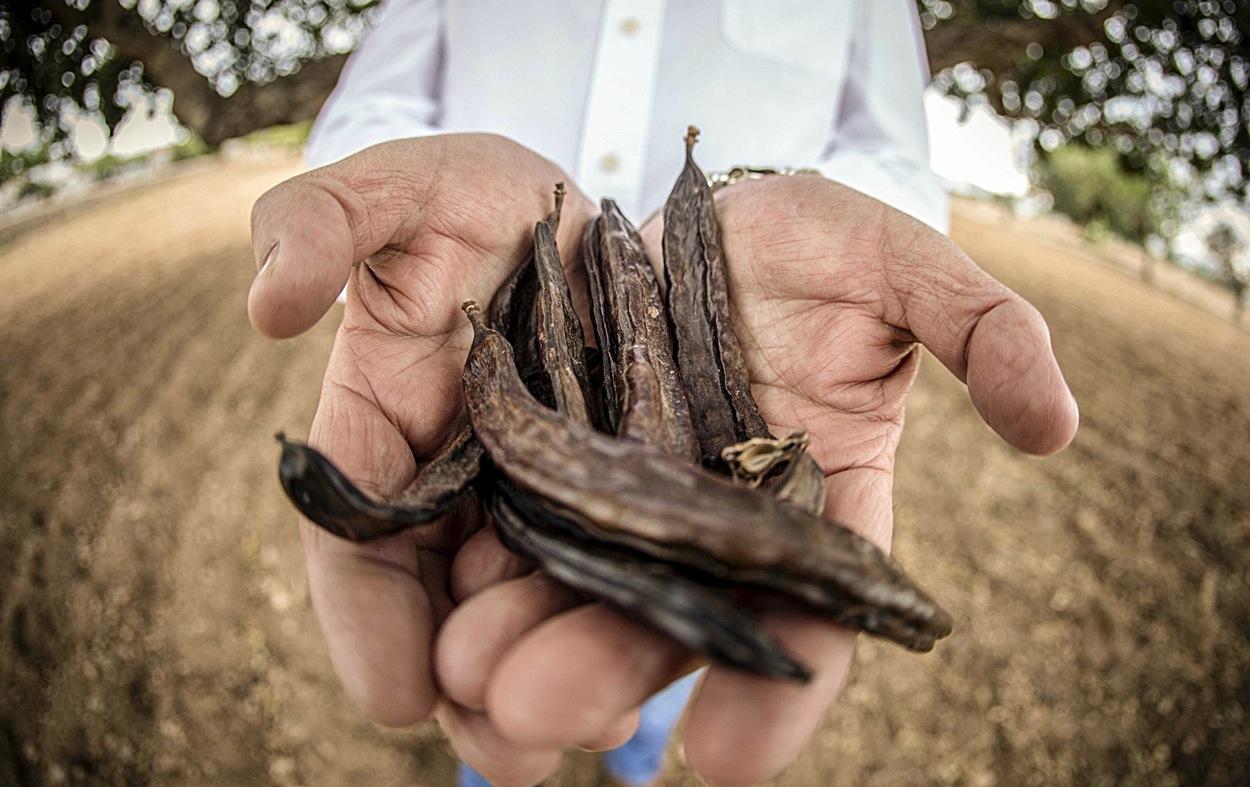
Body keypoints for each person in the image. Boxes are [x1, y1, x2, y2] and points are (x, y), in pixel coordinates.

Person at [246, 2, 1080, 785]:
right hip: (475, 291)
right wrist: (402, 203)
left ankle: (637, 758)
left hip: (748, 337)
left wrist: (815, 206)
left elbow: (894, 151)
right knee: (494, 684)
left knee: (655, 651)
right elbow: (369, 107)